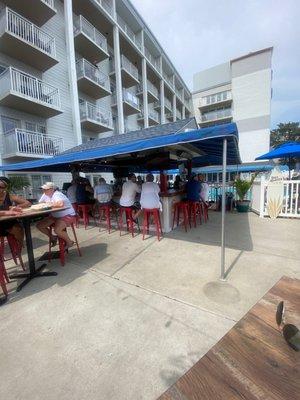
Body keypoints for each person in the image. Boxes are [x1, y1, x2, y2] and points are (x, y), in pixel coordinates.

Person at [36, 182, 76, 249]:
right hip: (55, 215)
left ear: (52, 189)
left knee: (57, 230)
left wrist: (48, 204)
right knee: (40, 226)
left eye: (46, 189)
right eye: (43, 189)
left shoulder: (57, 194)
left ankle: (69, 242)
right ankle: (53, 237)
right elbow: (40, 203)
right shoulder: (46, 194)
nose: (44, 191)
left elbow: (60, 204)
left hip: (67, 215)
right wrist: (45, 203)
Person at [0, 177, 31, 247]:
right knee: (16, 228)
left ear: (5, 188)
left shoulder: (9, 196)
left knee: (19, 228)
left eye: (1, 187)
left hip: (8, 221)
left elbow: (27, 203)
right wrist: (8, 209)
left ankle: (20, 245)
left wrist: (16, 207)